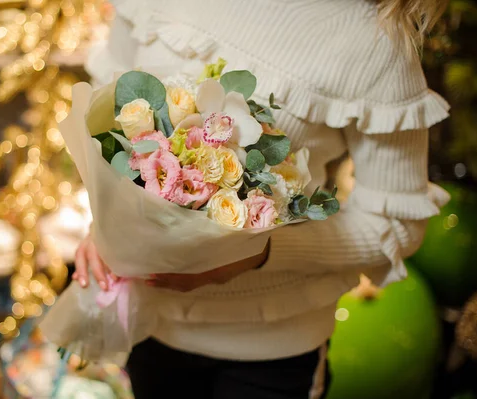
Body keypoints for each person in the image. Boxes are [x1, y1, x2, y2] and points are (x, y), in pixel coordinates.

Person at [73, 0, 451, 398]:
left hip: (272, 352)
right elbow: (100, 122)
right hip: (147, 320)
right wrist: (107, 222)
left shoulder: (373, 40)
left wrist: (260, 253)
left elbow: (396, 225)